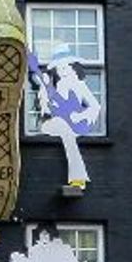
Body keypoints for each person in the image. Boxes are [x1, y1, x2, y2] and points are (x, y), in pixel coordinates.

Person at [27, 46, 101, 189]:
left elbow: (95, 106)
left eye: (66, 67)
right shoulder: (52, 86)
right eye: (60, 68)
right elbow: (38, 79)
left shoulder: (79, 86)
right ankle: (78, 178)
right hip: (53, 124)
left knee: (67, 132)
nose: (63, 71)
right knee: (62, 127)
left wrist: (81, 115)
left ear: (73, 68)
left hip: (75, 125)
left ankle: (78, 179)